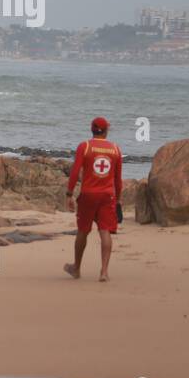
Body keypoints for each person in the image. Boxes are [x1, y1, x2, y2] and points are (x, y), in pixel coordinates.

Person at [64, 116, 123, 282]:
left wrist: (69, 194)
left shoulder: (85, 146)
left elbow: (75, 173)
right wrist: (118, 199)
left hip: (88, 195)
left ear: (91, 129)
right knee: (105, 231)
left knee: (83, 231)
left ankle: (76, 268)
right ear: (106, 131)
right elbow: (118, 180)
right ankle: (104, 272)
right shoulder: (116, 149)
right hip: (107, 196)